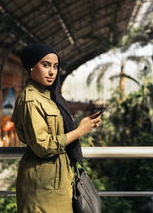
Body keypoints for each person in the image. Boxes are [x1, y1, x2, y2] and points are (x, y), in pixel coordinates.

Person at [11, 43, 102, 213]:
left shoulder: (48, 96)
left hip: (57, 179)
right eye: (45, 65)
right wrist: (80, 130)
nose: (52, 72)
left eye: (55, 66)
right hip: (43, 184)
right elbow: (43, 146)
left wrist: (83, 126)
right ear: (31, 66)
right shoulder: (31, 100)